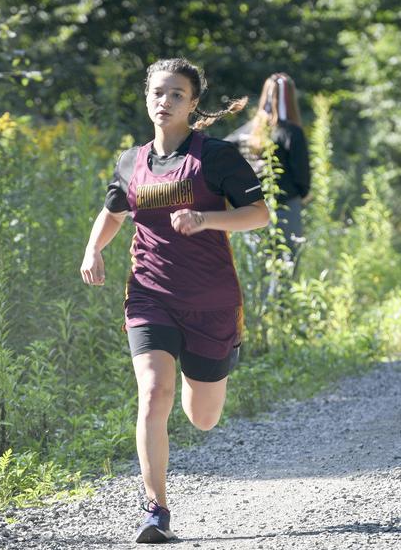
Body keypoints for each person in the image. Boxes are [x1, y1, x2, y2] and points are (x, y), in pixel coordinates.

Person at [79, 58, 269, 544]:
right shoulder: (131, 161)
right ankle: (156, 509)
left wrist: (207, 220)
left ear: (192, 104)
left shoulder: (216, 157)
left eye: (176, 94)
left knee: (202, 417)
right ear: (147, 98)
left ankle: (212, 363)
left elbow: (259, 214)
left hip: (211, 300)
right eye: (158, 93)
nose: (165, 102)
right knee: (153, 394)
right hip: (150, 294)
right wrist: (93, 248)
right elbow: (114, 212)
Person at [225, 73, 311, 252]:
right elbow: (302, 174)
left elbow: (223, 148)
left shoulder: (249, 131)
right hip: (286, 205)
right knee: (286, 263)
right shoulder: (291, 132)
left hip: (251, 208)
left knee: (258, 266)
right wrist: (301, 193)